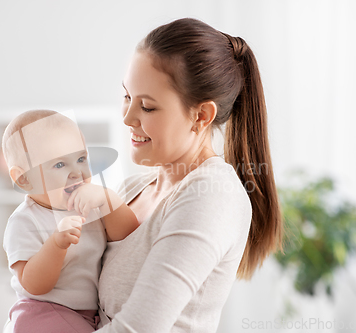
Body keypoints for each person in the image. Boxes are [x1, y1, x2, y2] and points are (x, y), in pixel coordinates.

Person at [95, 18, 283, 332]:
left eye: (148, 107)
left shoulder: (211, 194)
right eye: (127, 97)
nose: (127, 118)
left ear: (201, 116)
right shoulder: (131, 190)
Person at [1, 110, 139, 333]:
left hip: (86, 314)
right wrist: (57, 244)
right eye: (59, 165)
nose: (76, 172)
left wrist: (107, 200)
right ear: (25, 179)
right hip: (41, 314)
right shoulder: (24, 221)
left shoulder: (89, 203)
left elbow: (130, 238)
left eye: (81, 159)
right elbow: (34, 285)